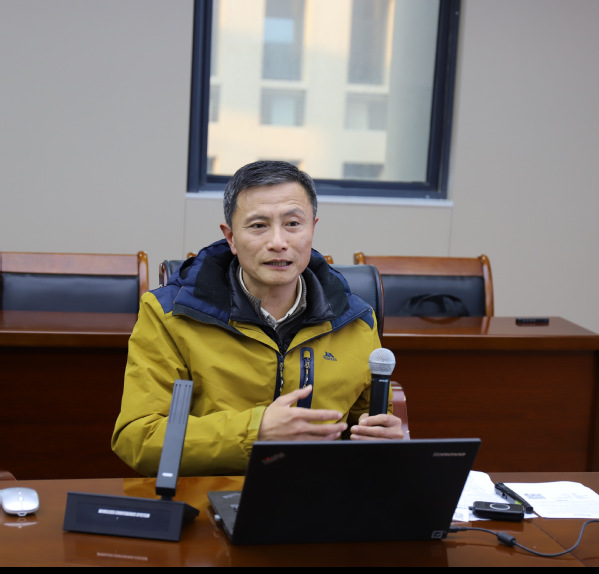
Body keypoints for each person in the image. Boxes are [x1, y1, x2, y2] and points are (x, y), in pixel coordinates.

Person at [111, 160, 404, 477]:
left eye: (293, 224)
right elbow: (139, 438)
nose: (278, 242)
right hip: (210, 495)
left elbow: (363, 427)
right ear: (231, 238)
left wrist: (379, 441)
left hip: (316, 494)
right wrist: (256, 431)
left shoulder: (356, 320)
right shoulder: (170, 315)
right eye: (258, 226)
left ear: (312, 229)